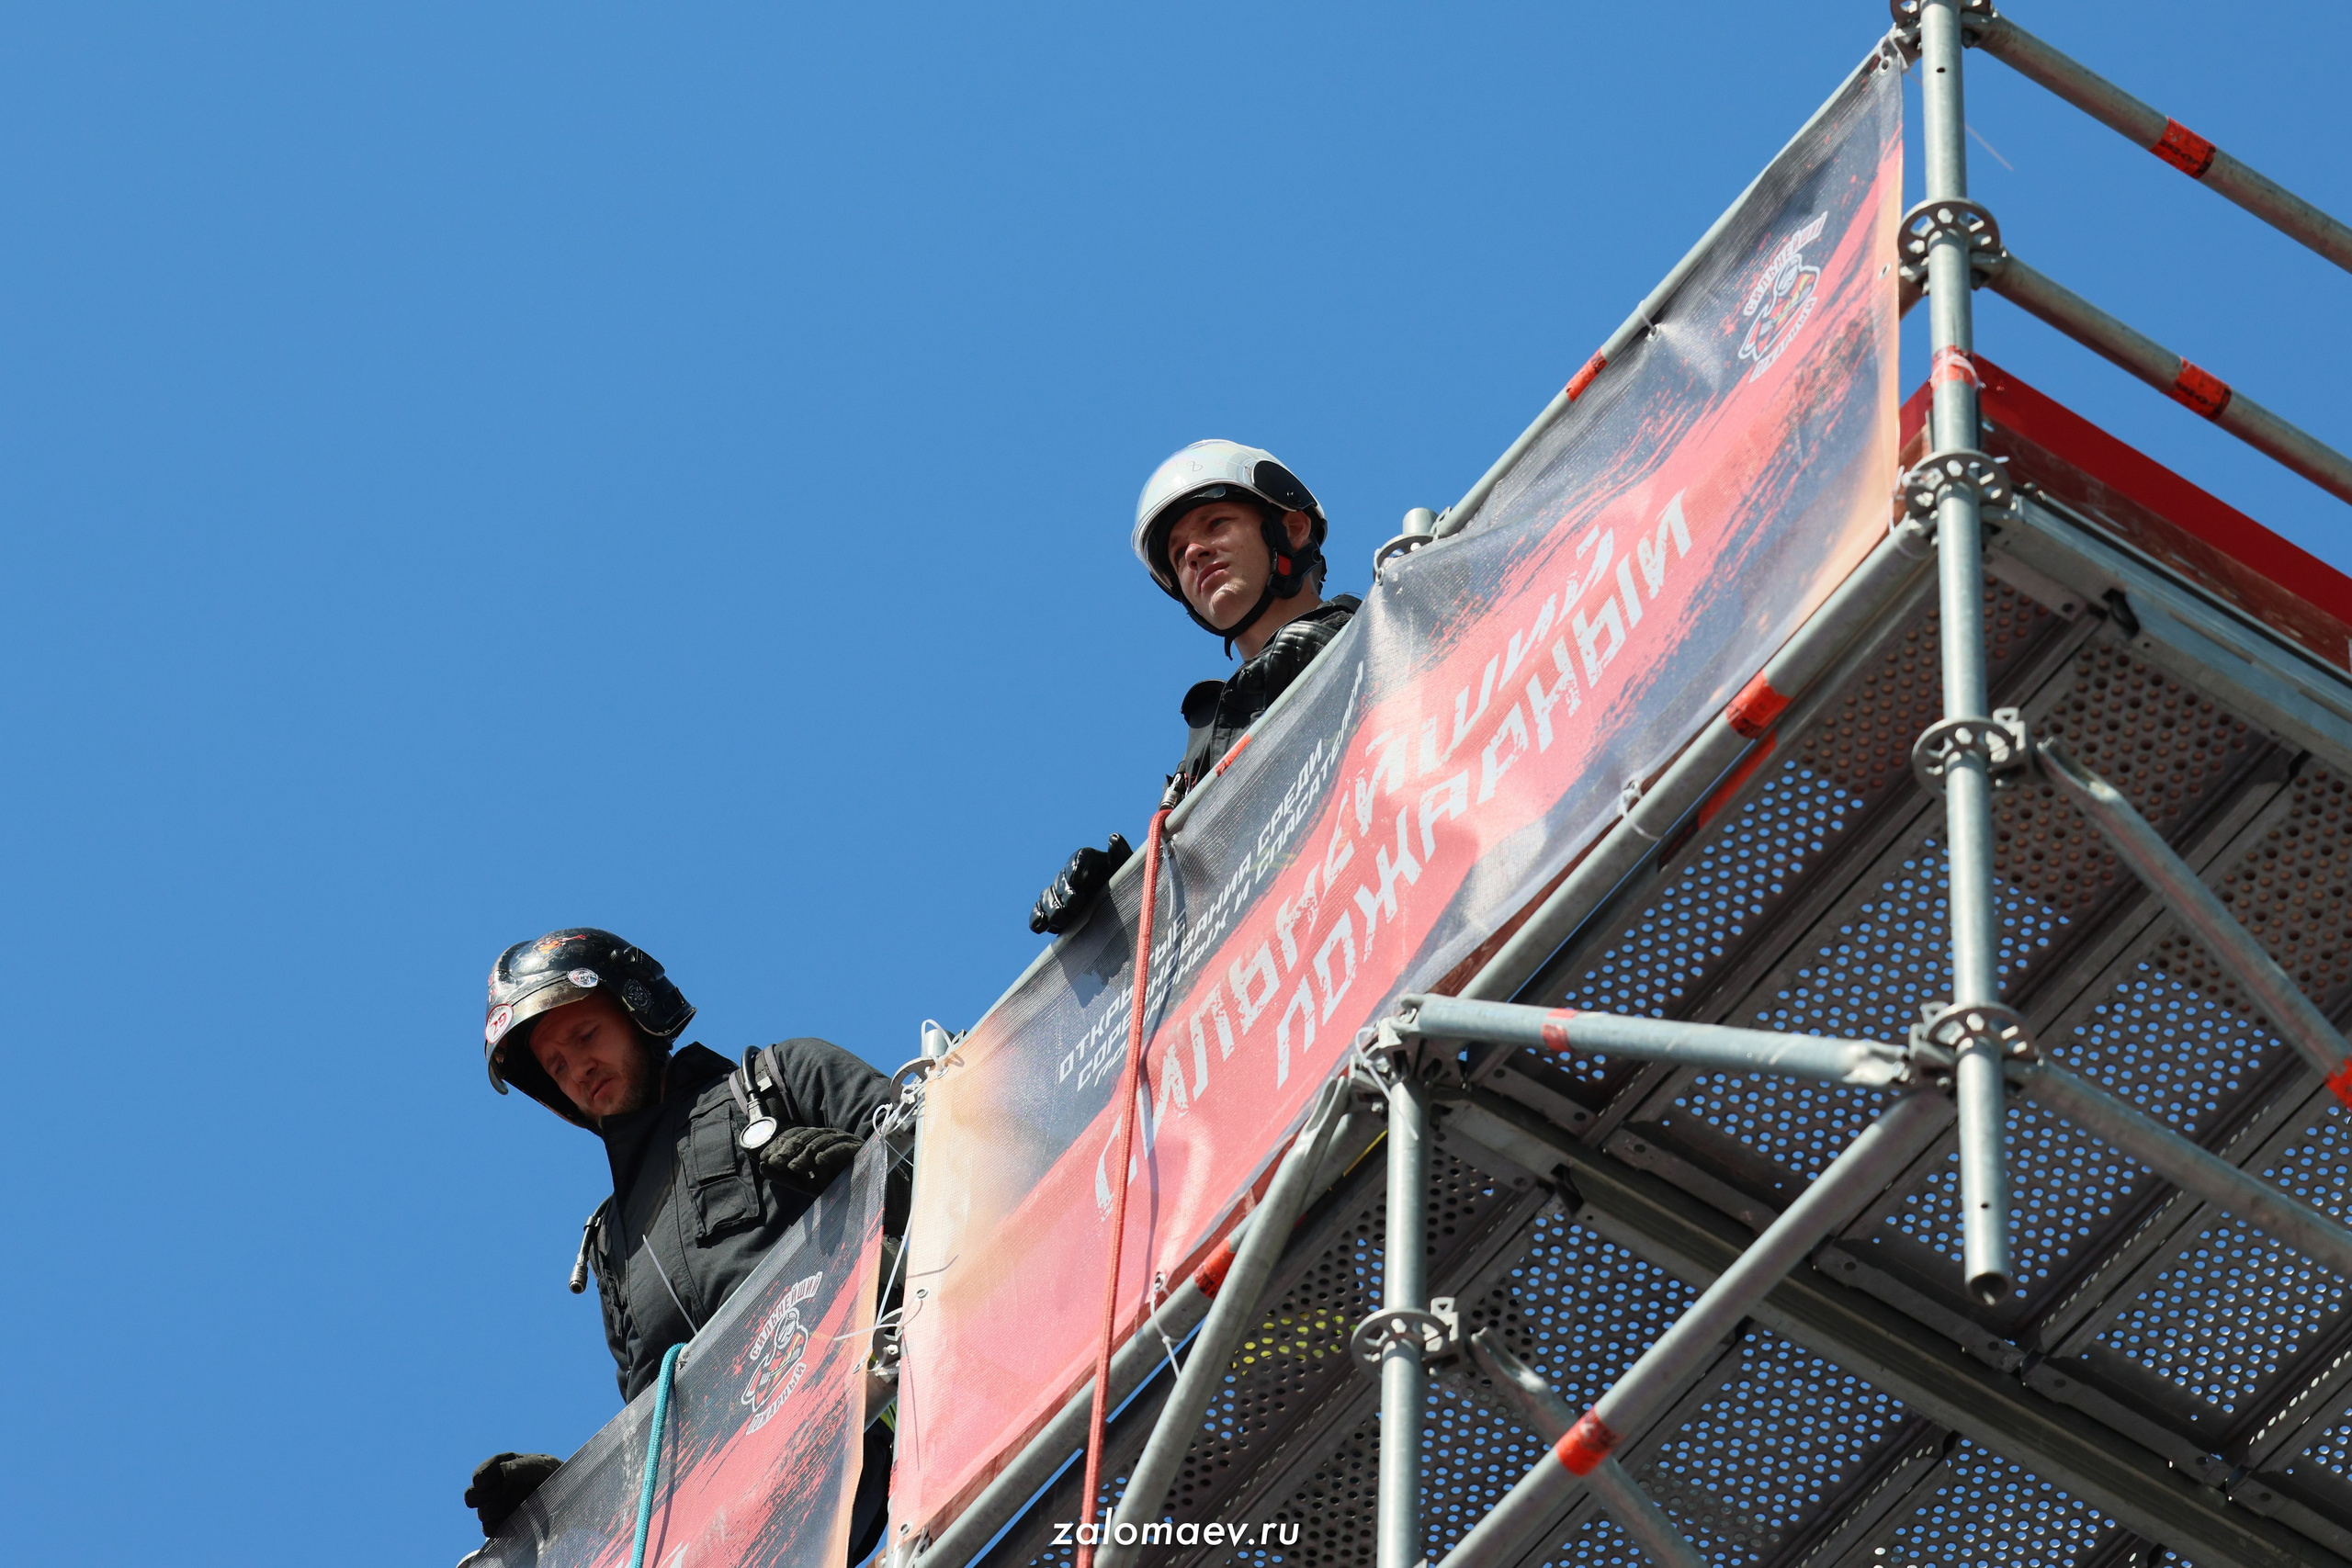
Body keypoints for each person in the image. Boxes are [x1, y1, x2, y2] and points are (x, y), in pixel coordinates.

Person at [461, 927, 899, 1558]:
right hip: (747, 1522)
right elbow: (656, 1435)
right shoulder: (613, 1249)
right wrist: (568, 1504)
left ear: (638, 1012)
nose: (577, 1068)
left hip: (881, 1412)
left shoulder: (780, 1080)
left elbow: (956, 1154)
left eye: (586, 1036)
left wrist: (868, 1177)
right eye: (556, 1065)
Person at [1030, 439, 1360, 934]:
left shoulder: (1382, 630)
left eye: (1216, 524)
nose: (1195, 553)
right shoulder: (1201, 757)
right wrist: (1118, 903)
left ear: (1291, 528)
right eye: (1178, 551)